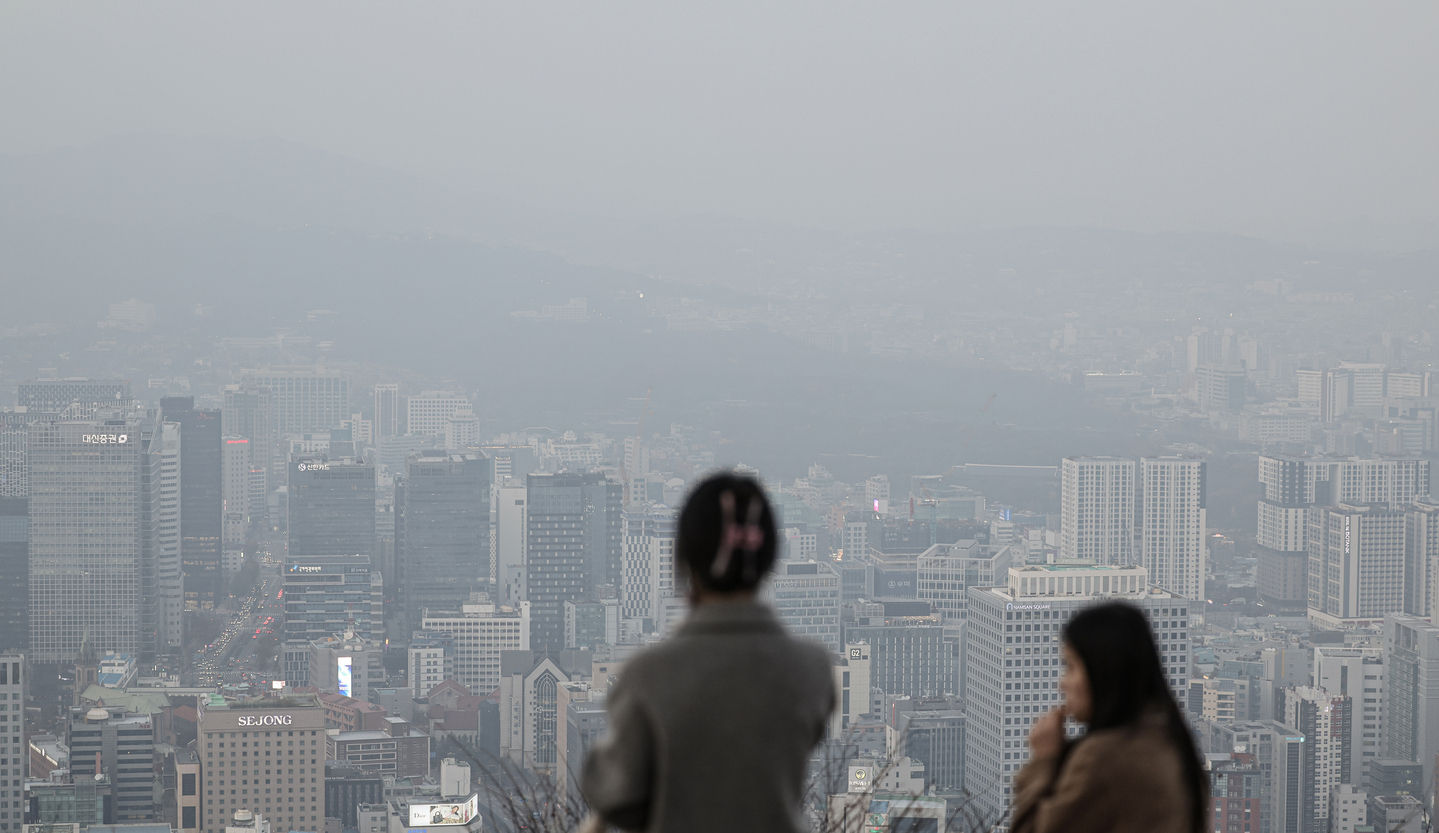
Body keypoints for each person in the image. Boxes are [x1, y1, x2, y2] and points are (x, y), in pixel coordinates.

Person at [580, 473, 835, 833]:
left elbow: (616, 795)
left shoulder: (649, 675)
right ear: (767, 558)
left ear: (686, 560)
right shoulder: (811, 670)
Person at [1010, 601, 1208, 833]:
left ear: (1102, 671)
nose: (1061, 683)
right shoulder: (1171, 741)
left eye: (1070, 666)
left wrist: (1043, 761)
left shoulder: (1104, 757)